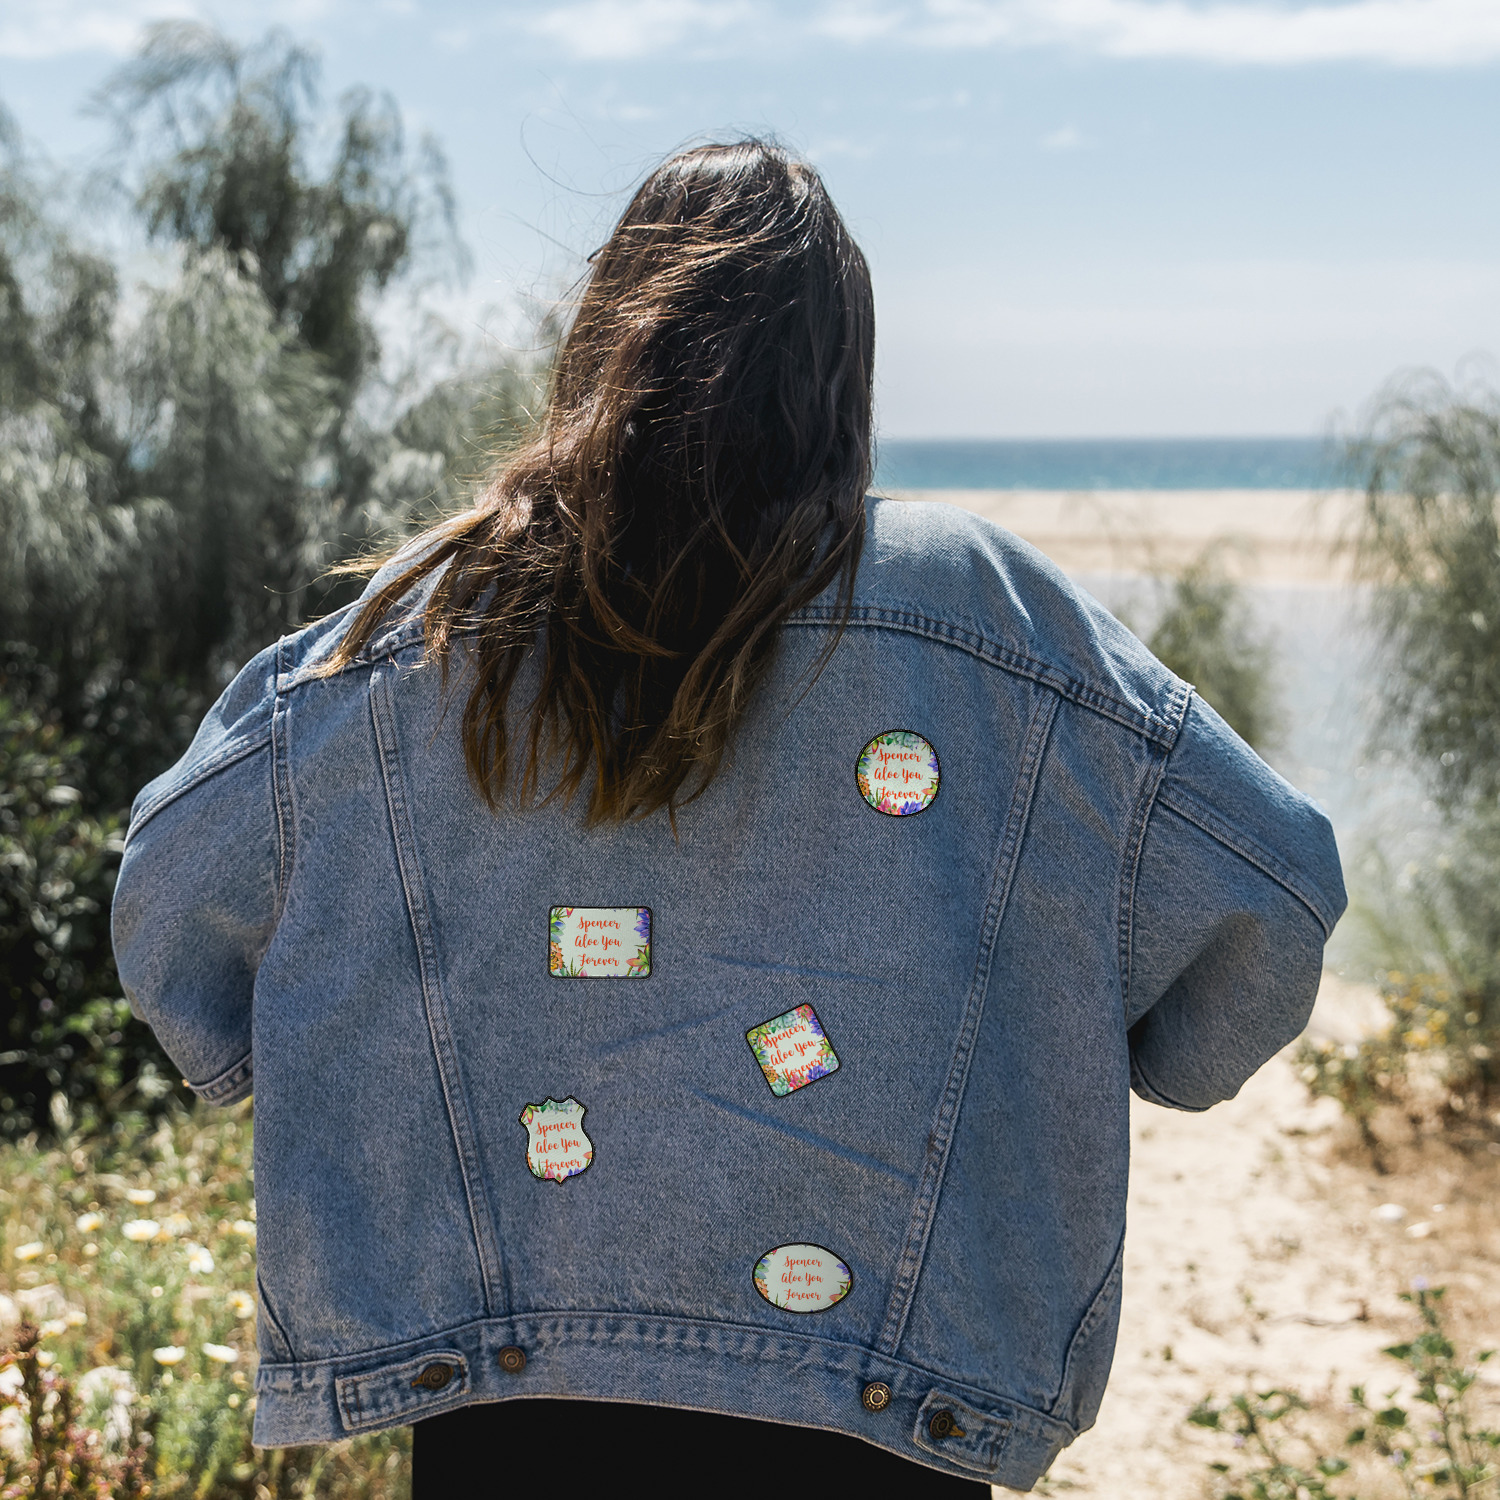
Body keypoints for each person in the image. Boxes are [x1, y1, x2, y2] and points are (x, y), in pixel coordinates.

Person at [111, 140, 1345, 1495]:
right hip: (873, 1413)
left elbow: (170, 897)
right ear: (841, 375)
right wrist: (1145, 1052)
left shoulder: (433, 620)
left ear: (602, 344)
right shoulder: (984, 608)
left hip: (511, 1407)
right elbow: (1273, 892)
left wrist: (292, 1050)